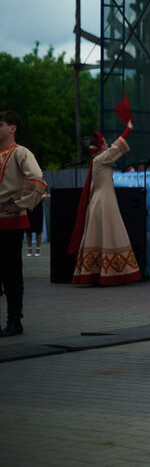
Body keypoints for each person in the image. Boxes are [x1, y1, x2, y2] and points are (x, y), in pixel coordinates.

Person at [70, 123, 142, 285]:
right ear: (100, 145)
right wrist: (128, 128)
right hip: (104, 203)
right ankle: (112, 272)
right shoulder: (101, 159)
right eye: (104, 142)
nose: (106, 144)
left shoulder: (96, 160)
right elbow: (117, 147)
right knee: (111, 234)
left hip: (100, 201)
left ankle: (100, 271)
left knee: (104, 235)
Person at [0, 111, 46, 337]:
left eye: (0, 125)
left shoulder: (21, 153)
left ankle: (14, 321)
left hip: (11, 221)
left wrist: (20, 204)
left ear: (12, 128)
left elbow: (37, 178)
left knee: (11, 272)